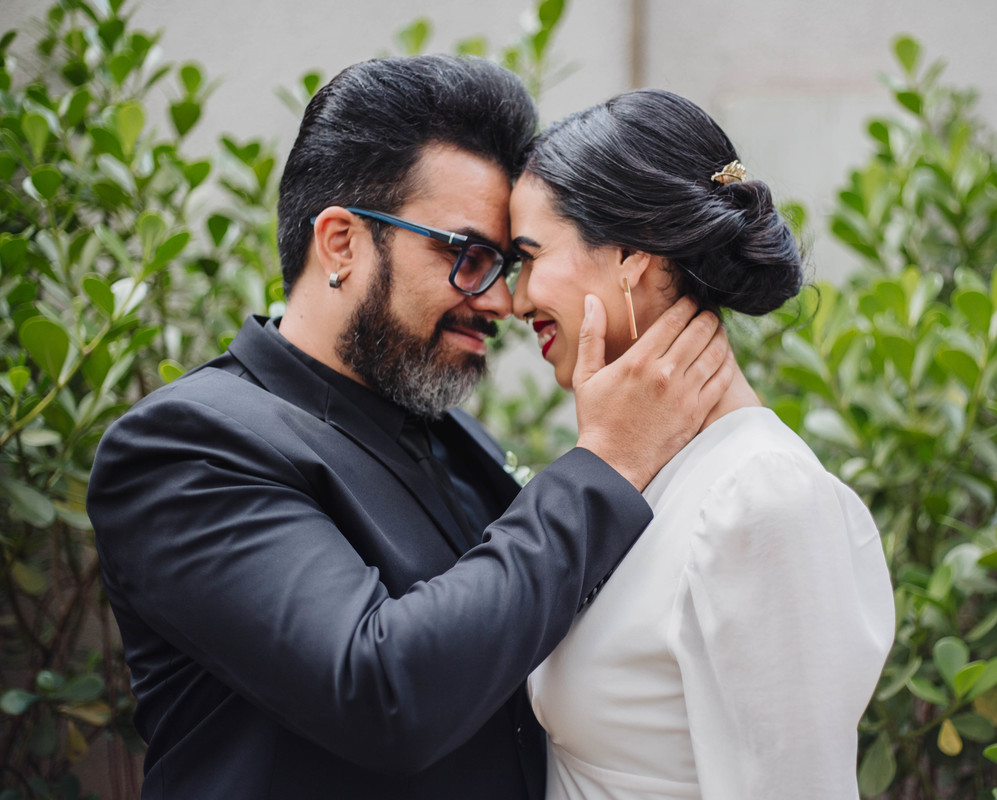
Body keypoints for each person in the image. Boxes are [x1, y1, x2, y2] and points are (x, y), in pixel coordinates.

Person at [86, 58, 734, 800]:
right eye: (467, 256)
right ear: (341, 243)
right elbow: (381, 693)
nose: (502, 302)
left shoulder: (455, 438)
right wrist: (608, 464)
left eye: (507, 264)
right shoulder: (185, 447)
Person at [509, 89, 896, 799]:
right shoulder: (635, 471)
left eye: (530, 258)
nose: (515, 298)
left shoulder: (761, 499)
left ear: (632, 254)